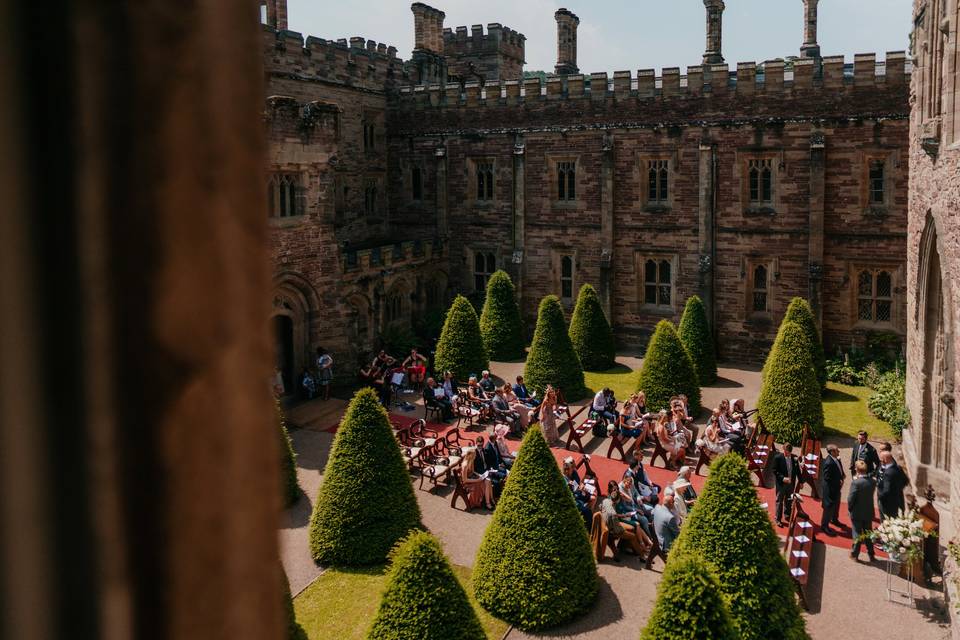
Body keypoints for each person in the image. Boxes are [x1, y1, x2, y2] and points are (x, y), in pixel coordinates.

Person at [601, 481, 653, 566]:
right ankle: (642, 552)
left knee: (635, 527)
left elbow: (628, 501)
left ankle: (641, 549)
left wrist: (622, 495)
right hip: (615, 524)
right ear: (610, 489)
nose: (616, 491)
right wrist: (624, 515)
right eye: (614, 489)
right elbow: (613, 515)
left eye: (617, 489)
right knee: (633, 532)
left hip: (619, 519)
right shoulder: (609, 501)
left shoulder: (616, 497)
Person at [847, 460, 877, 561]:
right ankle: (871, 554)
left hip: (857, 512)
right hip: (868, 511)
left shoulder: (856, 483)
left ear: (856, 469)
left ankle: (855, 554)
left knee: (857, 534)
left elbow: (851, 499)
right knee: (868, 533)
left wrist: (850, 508)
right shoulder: (872, 482)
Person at [820, 444, 846, 536]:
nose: (838, 451)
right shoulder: (828, 462)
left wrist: (842, 474)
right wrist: (838, 482)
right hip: (830, 489)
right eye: (837, 450)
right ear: (832, 452)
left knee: (836, 504)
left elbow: (839, 468)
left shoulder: (836, 458)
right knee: (829, 507)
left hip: (836, 488)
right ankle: (824, 526)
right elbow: (827, 478)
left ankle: (834, 519)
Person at [773, 443, 799, 527]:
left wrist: (801, 481)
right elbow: (774, 470)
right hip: (781, 484)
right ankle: (778, 519)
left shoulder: (794, 458)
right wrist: (782, 478)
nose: (785, 453)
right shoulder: (778, 458)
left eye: (787, 452)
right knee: (779, 501)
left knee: (789, 500)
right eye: (784, 451)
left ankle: (787, 516)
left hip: (791, 484)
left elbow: (798, 470)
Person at [877, 450, 908, 520]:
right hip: (899, 500)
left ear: (885, 460)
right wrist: (898, 489)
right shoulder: (898, 468)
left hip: (888, 504)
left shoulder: (888, 473)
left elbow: (886, 490)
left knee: (886, 523)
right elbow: (906, 481)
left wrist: (880, 496)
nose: (880, 461)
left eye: (881, 460)